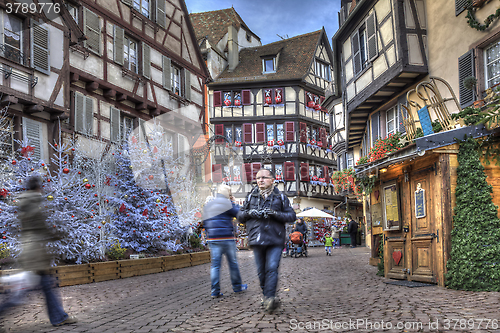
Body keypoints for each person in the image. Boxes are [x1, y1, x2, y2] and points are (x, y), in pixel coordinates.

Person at [0, 176, 77, 332]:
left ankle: (59, 317)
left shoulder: (24, 203)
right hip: (35, 252)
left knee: (46, 285)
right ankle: (59, 317)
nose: (42, 190)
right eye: (41, 187)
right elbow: (43, 229)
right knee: (24, 292)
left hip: (30, 249)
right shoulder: (34, 204)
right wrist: (59, 235)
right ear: (37, 188)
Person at [237, 169, 296, 313]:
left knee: (271, 268)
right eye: (258, 178)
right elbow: (240, 215)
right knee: (261, 272)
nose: (260, 180)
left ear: (272, 180)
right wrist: (249, 213)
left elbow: (292, 216)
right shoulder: (251, 196)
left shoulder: (280, 197)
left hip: (275, 238)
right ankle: (266, 295)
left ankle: (270, 297)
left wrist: (276, 214)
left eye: (264, 177)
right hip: (257, 239)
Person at [202, 184, 247, 298]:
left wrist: (209, 234)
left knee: (215, 266)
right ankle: (237, 287)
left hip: (213, 239)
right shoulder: (228, 204)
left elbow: (205, 221)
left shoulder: (208, 205)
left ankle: (215, 291)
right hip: (226, 237)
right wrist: (234, 202)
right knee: (233, 264)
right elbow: (240, 215)